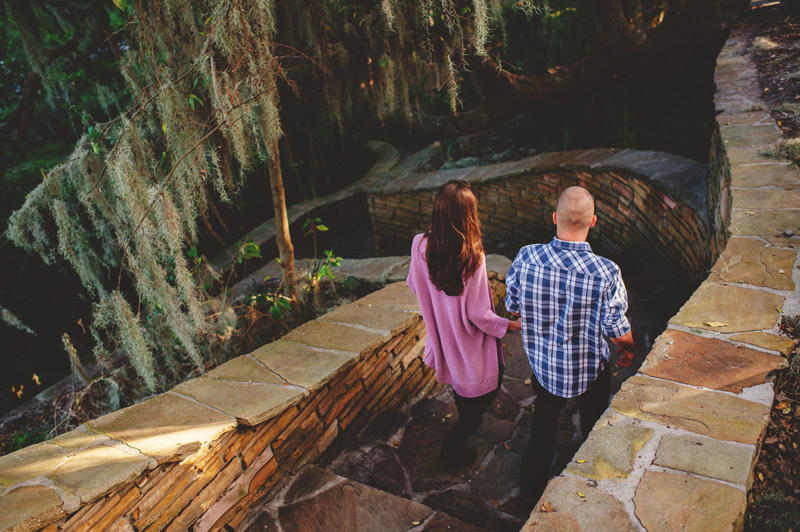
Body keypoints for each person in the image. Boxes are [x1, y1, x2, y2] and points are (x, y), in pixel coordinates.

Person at [505, 186, 635, 502]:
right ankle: (596, 482)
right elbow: (616, 327)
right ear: (592, 221)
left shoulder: (526, 256)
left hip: (545, 366)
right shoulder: (606, 271)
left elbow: (513, 305)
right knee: (593, 423)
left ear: (554, 218)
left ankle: (530, 490)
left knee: (544, 425)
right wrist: (629, 348)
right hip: (589, 369)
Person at [407, 179, 521, 467]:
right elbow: (479, 315)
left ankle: (468, 419)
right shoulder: (472, 256)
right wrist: (512, 326)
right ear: (468, 214)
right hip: (470, 341)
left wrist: (439, 304)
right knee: (489, 387)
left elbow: (413, 283)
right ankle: (452, 451)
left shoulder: (419, 244)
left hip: (444, 338)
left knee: (461, 386)